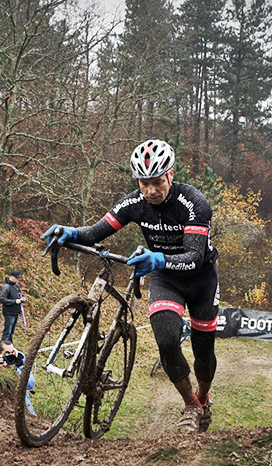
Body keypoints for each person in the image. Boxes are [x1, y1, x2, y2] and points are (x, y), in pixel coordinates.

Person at [41, 139, 219, 433]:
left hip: (200, 278)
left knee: (203, 355)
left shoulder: (194, 203)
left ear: (170, 175)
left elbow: (194, 257)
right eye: (144, 183)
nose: (150, 191)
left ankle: (204, 396)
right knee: (166, 340)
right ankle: (191, 405)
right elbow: (97, 231)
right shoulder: (135, 203)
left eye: (157, 182)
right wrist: (70, 231)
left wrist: (159, 259)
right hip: (166, 278)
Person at [0, 340, 36, 415]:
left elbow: (30, 385)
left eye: (12, 352)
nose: (11, 356)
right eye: (7, 353)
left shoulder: (20, 360)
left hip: (23, 404)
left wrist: (15, 370)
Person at [0, 269, 25, 342]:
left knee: (11, 332)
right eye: (16, 278)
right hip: (9, 313)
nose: (17, 280)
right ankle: (3, 347)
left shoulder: (16, 286)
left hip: (15, 312)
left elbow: (18, 296)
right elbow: (2, 299)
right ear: (11, 277)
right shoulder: (6, 287)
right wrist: (14, 301)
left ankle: (10, 346)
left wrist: (21, 299)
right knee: (7, 332)